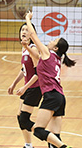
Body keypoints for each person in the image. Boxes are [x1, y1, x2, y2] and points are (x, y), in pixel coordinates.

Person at [25, 11, 75, 148]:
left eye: (54, 41)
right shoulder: (57, 59)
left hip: (52, 96)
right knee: (55, 135)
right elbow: (35, 55)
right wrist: (26, 47)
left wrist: (27, 19)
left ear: (56, 48)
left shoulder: (48, 53)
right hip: (60, 97)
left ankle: (64, 147)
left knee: (38, 130)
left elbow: (33, 35)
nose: (50, 40)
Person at [7, 23, 41, 148]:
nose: (24, 31)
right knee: (20, 117)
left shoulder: (34, 48)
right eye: (22, 29)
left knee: (24, 120)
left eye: (27, 30)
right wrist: (14, 83)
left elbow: (38, 74)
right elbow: (24, 70)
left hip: (35, 88)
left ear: (32, 34)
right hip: (28, 87)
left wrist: (24, 88)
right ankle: (28, 145)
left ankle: (48, 136)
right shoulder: (24, 48)